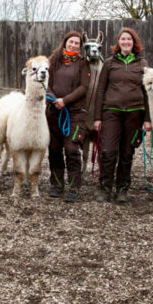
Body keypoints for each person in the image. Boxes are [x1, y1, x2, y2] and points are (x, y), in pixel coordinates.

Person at [93, 27, 151, 203]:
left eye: (129, 39)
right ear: (118, 43)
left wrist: (148, 118)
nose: (126, 42)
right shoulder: (109, 63)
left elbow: (147, 91)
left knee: (127, 153)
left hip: (134, 114)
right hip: (112, 112)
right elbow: (101, 90)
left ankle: (122, 189)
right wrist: (97, 117)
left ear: (134, 42)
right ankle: (104, 188)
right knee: (108, 152)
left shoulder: (143, 64)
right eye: (123, 39)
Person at [46, 31, 90, 202]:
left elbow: (84, 87)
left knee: (72, 148)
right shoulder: (53, 61)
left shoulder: (82, 64)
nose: (73, 45)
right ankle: (57, 184)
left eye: (77, 43)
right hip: (53, 111)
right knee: (54, 149)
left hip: (75, 112)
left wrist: (65, 100)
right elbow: (45, 83)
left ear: (80, 47)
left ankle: (74, 186)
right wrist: (53, 99)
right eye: (71, 42)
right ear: (65, 43)